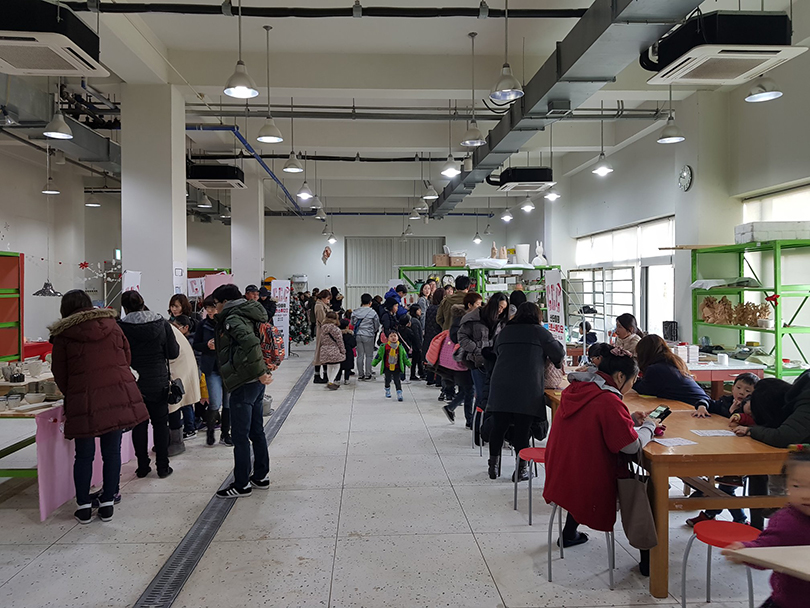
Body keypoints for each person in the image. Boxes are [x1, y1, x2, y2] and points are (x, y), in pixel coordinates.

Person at [544, 348, 658, 575]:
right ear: (619, 377)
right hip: (593, 478)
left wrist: (630, 421)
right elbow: (631, 446)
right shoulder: (607, 400)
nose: (633, 385)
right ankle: (649, 561)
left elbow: (594, 427)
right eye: (633, 380)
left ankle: (569, 533)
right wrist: (649, 427)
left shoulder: (577, 390)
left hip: (564, 473)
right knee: (647, 488)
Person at [49, 290, 149, 524]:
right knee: (111, 451)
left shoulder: (63, 334)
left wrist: (73, 393)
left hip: (84, 399)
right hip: (115, 395)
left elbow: (59, 372)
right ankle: (107, 502)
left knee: (83, 454)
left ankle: (83, 506)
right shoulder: (112, 325)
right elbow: (126, 357)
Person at [723, 445, 810, 608]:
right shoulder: (785, 521)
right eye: (797, 486)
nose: (806, 494)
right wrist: (746, 550)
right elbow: (765, 548)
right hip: (788, 602)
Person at [486, 302, 565, 480]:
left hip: (501, 384)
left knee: (498, 426)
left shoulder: (505, 331)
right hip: (527, 387)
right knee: (523, 430)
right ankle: (521, 470)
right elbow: (558, 353)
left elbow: (497, 351)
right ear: (537, 316)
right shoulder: (540, 332)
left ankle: (493, 466)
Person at [211, 284, 273, 498]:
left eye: (216, 304)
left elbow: (251, 343)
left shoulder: (233, 318)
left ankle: (241, 484)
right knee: (257, 431)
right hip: (254, 382)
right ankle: (261, 476)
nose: (215, 309)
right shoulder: (248, 312)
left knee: (240, 435)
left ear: (225, 302)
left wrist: (260, 372)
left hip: (245, 380)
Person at [118, 291, 180, 479]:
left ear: (125, 308)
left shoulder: (121, 327)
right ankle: (163, 466)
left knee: (139, 425)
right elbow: (173, 353)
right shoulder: (161, 323)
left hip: (134, 382)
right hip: (159, 381)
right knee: (161, 424)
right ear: (143, 303)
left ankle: (142, 466)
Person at [687, 372, 760, 527]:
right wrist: (702, 406)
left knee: (726, 488)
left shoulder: (752, 410)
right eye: (738, 387)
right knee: (723, 487)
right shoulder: (726, 401)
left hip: (742, 456)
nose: (742, 392)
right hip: (720, 448)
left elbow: (747, 424)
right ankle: (710, 513)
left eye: (748, 391)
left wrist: (735, 413)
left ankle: (738, 518)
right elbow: (708, 401)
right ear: (732, 388)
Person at [458, 292, 508, 411]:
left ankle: (485, 424)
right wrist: (476, 349)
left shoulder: (502, 321)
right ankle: (477, 425)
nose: (501, 310)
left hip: (495, 362)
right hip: (477, 362)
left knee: (491, 397)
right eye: (500, 307)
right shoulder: (474, 317)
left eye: (504, 308)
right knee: (481, 396)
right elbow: (462, 337)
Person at [193, 296, 231, 447]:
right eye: (207, 308)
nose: (210, 311)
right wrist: (206, 345)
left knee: (228, 403)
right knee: (215, 402)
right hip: (211, 368)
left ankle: (225, 433)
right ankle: (210, 431)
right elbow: (196, 344)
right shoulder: (203, 325)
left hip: (227, 367)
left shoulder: (227, 324)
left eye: (213, 308)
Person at [441, 292, 482, 427]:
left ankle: (455, 410)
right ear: (469, 305)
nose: (480, 307)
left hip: (466, 359)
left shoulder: (472, 318)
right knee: (469, 389)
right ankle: (468, 419)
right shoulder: (461, 319)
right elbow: (455, 336)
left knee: (468, 389)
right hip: (462, 359)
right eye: (477, 304)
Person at [632, 334, 709, 406]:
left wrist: (630, 377)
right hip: (702, 402)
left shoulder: (655, 369)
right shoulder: (672, 361)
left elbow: (644, 389)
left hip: (695, 406)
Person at [166, 318, 201, 456]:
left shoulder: (165, 330)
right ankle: (171, 439)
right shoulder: (167, 327)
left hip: (177, 370)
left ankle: (177, 441)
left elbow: (173, 352)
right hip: (179, 369)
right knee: (176, 404)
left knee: (174, 404)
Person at [372, 330, 411, 401]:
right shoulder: (384, 347)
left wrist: (408, 363)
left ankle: (399, 393)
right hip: (387, 367)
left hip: (397, 367)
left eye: (395, 336)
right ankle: (387, 389)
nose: (393, 338)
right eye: (391, 336)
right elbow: (379, 356)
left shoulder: (400, 347)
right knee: (388, 379)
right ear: (388, 338)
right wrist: (374, 363)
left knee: (397, 380)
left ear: (398, 337)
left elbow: (405, 356)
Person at [352, 293, 381, 381]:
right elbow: (377, 325)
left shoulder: (355, 312)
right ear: (370, 302)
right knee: (369, 355)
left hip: (358, 335)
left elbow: (352, 323)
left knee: (360, 355)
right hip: (368, 335)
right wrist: (373, 330)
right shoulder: (372, 312)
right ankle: (368, 374)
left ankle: (360, 375)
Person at [314, 311, 346, 390]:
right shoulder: (335, 329)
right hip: (334, 349)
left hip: (324, 349)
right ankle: (331, 381)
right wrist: (343, 351)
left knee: (329, 366)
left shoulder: (323, 328)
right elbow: (339, 341)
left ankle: (330, 381)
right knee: (337, 366)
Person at [422, 287, 445, 387]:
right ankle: (438, 380)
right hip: (438, 335)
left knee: (431, 357)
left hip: (429, 335)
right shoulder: (441, 308)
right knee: (439, 359)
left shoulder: (430, 307)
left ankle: (430, 378)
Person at [312, 289, 332, 384]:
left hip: (324, 331)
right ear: (323, 298)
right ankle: (317, 375)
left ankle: (325, 374)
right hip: (322, 331)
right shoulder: (319, 306)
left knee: (324, 353)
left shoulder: (323, 305)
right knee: (319, 353)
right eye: (327, 299)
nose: (328, 301)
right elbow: (322, 320)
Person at [408, 304, 425, 381]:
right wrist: (419, 345)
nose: (420, 311)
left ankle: (421, 372)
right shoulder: (415, 321)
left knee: (418, 359)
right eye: (418, 310)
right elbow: (416, 335)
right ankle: (413, 374)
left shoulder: (415, 320)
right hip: (416, 344)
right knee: (415, 360)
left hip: (416, 344)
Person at [339, 318, 356, 385]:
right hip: (348, 352)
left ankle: (337, 379)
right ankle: (346, 379)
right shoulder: (349, 335)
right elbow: (354, 344)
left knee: (339, 367)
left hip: (340, 352)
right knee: (348, 367)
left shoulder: (338, 335)